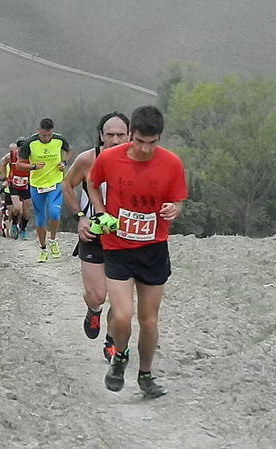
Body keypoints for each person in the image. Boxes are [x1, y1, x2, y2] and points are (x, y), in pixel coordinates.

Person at [87, 105, 187, 398]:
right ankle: (119, 357)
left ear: (159, 139)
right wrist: (101, 212)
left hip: (154, 248)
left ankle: (146, 375)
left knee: (148, 319)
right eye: (140, 141)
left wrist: (173, 209)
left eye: (151, 143)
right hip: (118, 247)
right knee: (122, 315)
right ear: (131, 134)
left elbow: (177, 201)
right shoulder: (109, 158)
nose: (145, 149)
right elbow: (93, 184)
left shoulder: (171, 164)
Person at [62, 112, 130, 362]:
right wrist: (80, 216)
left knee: (121, 299)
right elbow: (67, 185)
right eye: (109, 135)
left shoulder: (140, 161)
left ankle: (112, 341)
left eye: (120, 134)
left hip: (125, 238)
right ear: (101, 135)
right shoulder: (88, 159)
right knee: (98, 295)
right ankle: (93, 309)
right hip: (94, 233)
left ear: (130, 135)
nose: (115, 140)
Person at [17, 118, 72, 262]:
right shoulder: (30, 143)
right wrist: (33, 167)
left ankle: (53, 240)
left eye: (48, 135)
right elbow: (19, 164)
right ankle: (43, 248)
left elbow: (69, 150)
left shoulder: (59, 139)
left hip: (55, 183)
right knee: (40, 220)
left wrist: (64, 163)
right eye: (43, 135)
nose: (46, 138)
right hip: (37, 185)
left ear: (52, 132)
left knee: (54, 213)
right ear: (38, 131)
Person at [0, 137, 32, 240]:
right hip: (14, 185)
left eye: (24, 149)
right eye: (20, 149)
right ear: (17, 148)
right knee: (16, 208)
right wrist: (2, 175)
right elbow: (2, 163)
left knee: (26, 212)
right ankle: (14, 224)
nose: (22, 151)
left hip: (26, 185)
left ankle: (23, 230)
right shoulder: (11, 156)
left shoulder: (31, 156)